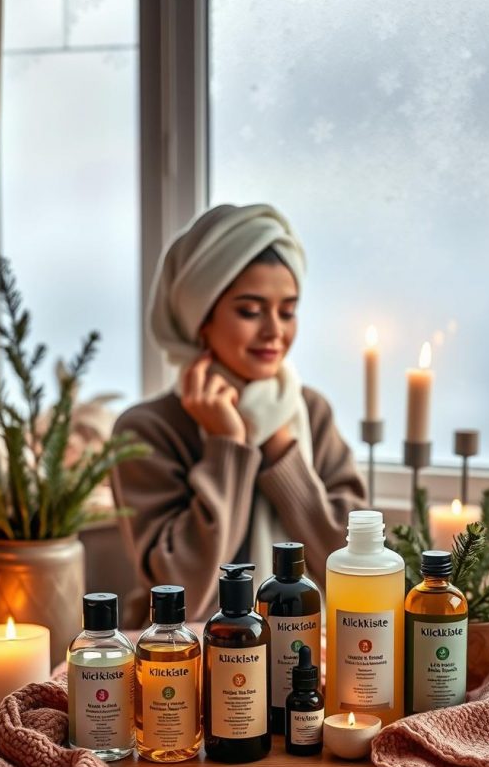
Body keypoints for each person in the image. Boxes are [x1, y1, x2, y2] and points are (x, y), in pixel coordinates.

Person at [112, 203, 367, 628]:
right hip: (183, 664)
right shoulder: (146, 430)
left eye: (287, 311)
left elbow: (354, 574)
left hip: (307, 657)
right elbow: (183, 598)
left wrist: (281, 449)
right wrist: (226, 449)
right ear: (201, 319)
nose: (274, 331)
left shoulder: (311, 413)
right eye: (250, 310)